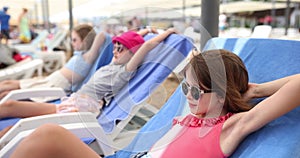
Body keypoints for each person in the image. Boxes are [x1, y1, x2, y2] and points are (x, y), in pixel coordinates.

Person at [8, 49, 300, 158]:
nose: (187, 95)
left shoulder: (231, 127)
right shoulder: (193, 116)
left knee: (48, 135)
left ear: (222, 95)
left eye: (197, 92)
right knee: (48, 135)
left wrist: (257, 89)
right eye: (186, 86)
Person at [0, 27, 173, 131]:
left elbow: (146, 46)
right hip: (74, 101)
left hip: (82, 107)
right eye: (115, 47)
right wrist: (146, 31)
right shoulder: (115, 62)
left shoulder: (125, 71)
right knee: (10, 105)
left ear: (132, 53)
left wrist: (168, 33)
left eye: (120, 49)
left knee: (14, 128)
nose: (115, 51)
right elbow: (129, 41)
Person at [0, 24, 97, 101]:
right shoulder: (80, 55)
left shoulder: (87, 57)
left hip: (54, 85)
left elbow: (101, 38)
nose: (72, 43)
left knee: (7, 93)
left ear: (85, 41)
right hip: (49, 80)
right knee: (7, 83)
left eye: (75, 40)